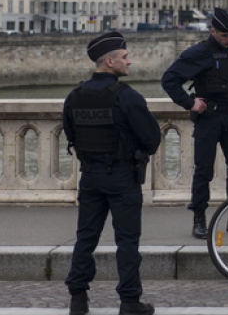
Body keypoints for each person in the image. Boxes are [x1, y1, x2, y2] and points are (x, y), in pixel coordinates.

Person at [63, 32, 161, 315]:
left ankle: (78, 299)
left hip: (90, 176)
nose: (129, 61)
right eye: (124, 57)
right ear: (109, 61)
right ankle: (129, 302)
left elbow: (71, 134)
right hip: (122, 177)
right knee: (127, 241)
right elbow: (152, 138)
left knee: (85, 239)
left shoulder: (75, 96)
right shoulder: (127, 97)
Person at [161, 7, 228, 239]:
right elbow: (170, 79)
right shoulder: (199, 53)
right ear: (213, 31)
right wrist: (189, 102)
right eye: (224, 35)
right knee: (204, 171)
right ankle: (199, 220)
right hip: (209, 118)